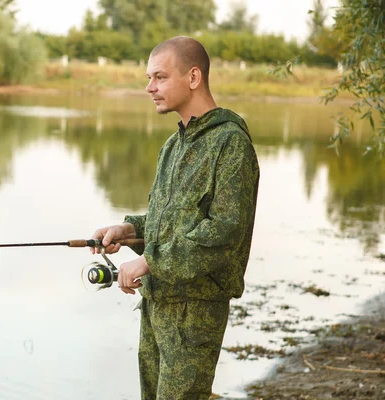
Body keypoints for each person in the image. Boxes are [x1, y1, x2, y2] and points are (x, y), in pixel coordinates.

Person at [90, 36, 260, 400]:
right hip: (155, 306)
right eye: (149, 78)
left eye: (160, 77)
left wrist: (149, 260)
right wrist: (130, 230)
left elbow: (224, 232)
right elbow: (168, 221)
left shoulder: (231, 143)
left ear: (194, 77)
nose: (149, 87)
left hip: (194, 314)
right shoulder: (173, 146)